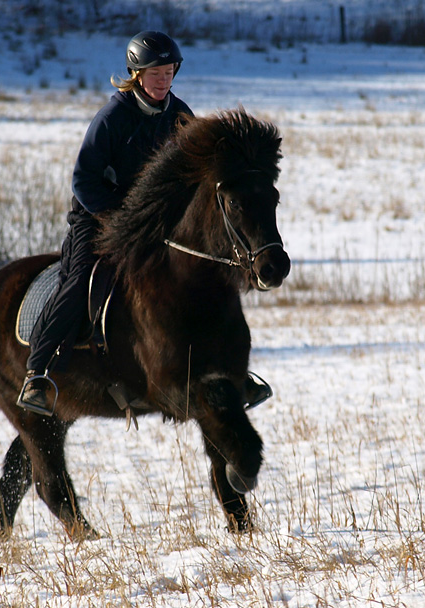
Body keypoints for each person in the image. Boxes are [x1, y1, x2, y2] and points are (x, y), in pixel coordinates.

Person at [18, 31, 272, 416]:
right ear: (136, 74)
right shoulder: (112, 118)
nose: (164, 80)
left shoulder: (181, 116)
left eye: (169, 72)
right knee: (80, 277)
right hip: (100, 218)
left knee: (205, 273)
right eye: (156, 73)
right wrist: (117, 218)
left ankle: (232, 370)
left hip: (158, 222)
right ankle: (38, 372)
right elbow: (84, 181)